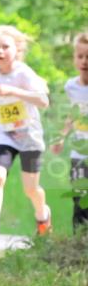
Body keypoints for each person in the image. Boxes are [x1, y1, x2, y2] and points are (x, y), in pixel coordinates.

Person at [0, 26, 51, 248]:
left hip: (30, 136)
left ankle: (42, 213)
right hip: (6, 135)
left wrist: (14, 92)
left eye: (5, 47)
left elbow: (43, 101)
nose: (1, 51)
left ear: (16, 49)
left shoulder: (23, 73)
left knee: (30, 189)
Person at [50, 32, 88, 231]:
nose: (84, 61)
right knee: (79, 195)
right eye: (80, 56)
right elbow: (72, 113)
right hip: (80, 153)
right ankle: (79, 243)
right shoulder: (71, 86)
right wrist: (61, 136)